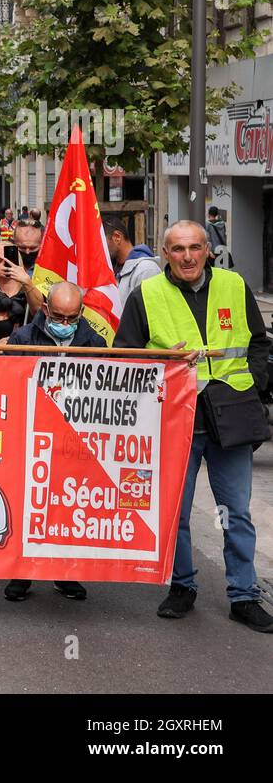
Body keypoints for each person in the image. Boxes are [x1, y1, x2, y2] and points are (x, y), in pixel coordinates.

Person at [113, 221, 273, 633]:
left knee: (235, 512)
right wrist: (161, 360)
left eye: (195, 248)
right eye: (179, 249)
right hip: (175, 419)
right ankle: (183, 586)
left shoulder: (234, 286)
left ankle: (243, 595)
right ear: (165, 253)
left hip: (231, 415)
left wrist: (254, 382)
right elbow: (122, 356)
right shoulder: (147, 293)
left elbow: (258, 342)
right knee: (176, 513)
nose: (188, 256)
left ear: (208, 251)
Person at [2, 281, 105, 602]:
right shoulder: (22, 339)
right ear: (44, 309)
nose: (63, 324)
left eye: (71, 318)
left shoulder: (96, 343)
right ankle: (22, 573)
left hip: (75, 438)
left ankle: (66, 573)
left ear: (82, 313)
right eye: (57, 316)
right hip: (31, 433)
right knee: (27, 506)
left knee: (67, 507)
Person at [104, 215, 162, 303]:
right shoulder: (113, 268)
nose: (99, 248)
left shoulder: (146, 270)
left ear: (117, 237)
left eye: (102, 242)